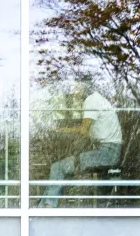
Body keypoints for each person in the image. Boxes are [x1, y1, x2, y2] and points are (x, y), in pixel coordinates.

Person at [41, 78, 122, 207]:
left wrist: (59, 131)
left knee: (57, 167)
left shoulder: (90, 100)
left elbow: (83, 131)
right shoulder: (99, 99)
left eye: (76, 88)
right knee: (60, 168)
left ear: (84, 87)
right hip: (110, 151)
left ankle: (46, 209)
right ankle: (43, 206)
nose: (74, 93)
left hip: (106, 152)